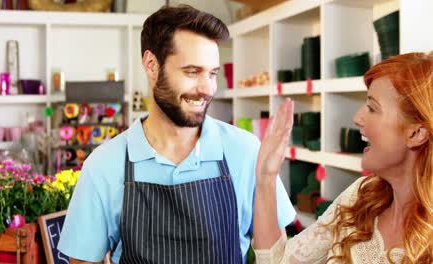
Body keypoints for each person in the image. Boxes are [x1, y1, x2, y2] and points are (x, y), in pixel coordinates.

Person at [58, 5, 296, 263]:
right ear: (151, 65)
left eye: (212, 73)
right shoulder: (105, 164)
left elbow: (277, 258)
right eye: (192, 72)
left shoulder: (246, 150)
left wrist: (267, 179)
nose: (207, 88)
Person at [252, 52, 433, 263]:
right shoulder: (361, 196)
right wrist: (266, 178)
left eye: (373, 108)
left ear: (416, 134)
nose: (357, 118)